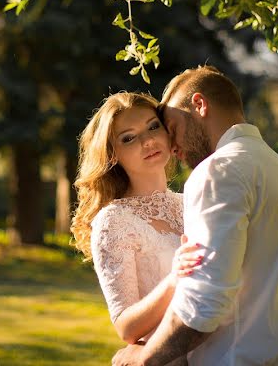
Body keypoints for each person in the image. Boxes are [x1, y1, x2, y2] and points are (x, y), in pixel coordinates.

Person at [113, 66, 278, 366]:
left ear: (199, 105)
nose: (171, 147)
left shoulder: (217, 171)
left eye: (172, 129)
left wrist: (144, 358)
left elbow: (203, 304)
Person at [71, 92, 202, 358]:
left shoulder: (193, 201)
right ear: (112, 155)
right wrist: (175, 279)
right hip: (167, 357)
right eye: (129, 138)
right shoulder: (113, 221)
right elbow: (126, 327)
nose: (148, 141)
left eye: (154, 126)